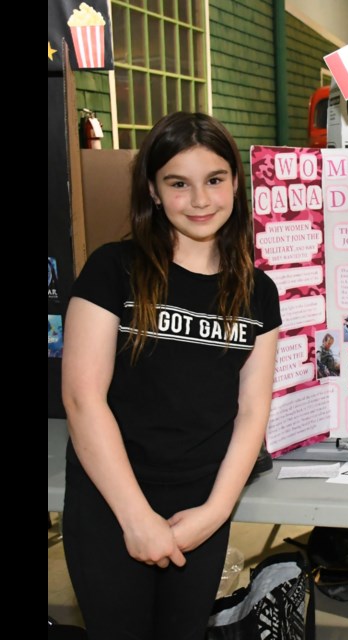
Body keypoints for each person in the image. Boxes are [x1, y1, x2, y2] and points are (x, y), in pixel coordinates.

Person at [60, 112, 281, 639]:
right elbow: (82, 398)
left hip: (201, 503)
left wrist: (214, 513)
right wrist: (135, 517)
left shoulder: (258, 291)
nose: (200, 200)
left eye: (215, 180)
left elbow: (253, 410)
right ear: (154, 192)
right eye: (178, 184)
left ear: (235, 183)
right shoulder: (113, 269)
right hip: (111, 501)